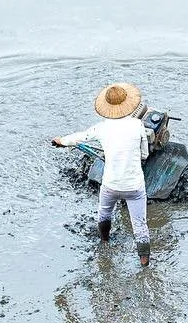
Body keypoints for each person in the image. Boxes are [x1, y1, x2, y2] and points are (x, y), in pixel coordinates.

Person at [52, 81, 152, 266]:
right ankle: (144, 261)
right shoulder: (137, 125)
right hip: (134, 187)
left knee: (104, 214)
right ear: (127, 103)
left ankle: (105, 241)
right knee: (139, 223)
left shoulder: (101, 128)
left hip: (111, 186)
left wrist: (61, 141)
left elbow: (79, 137)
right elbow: (144, 154)